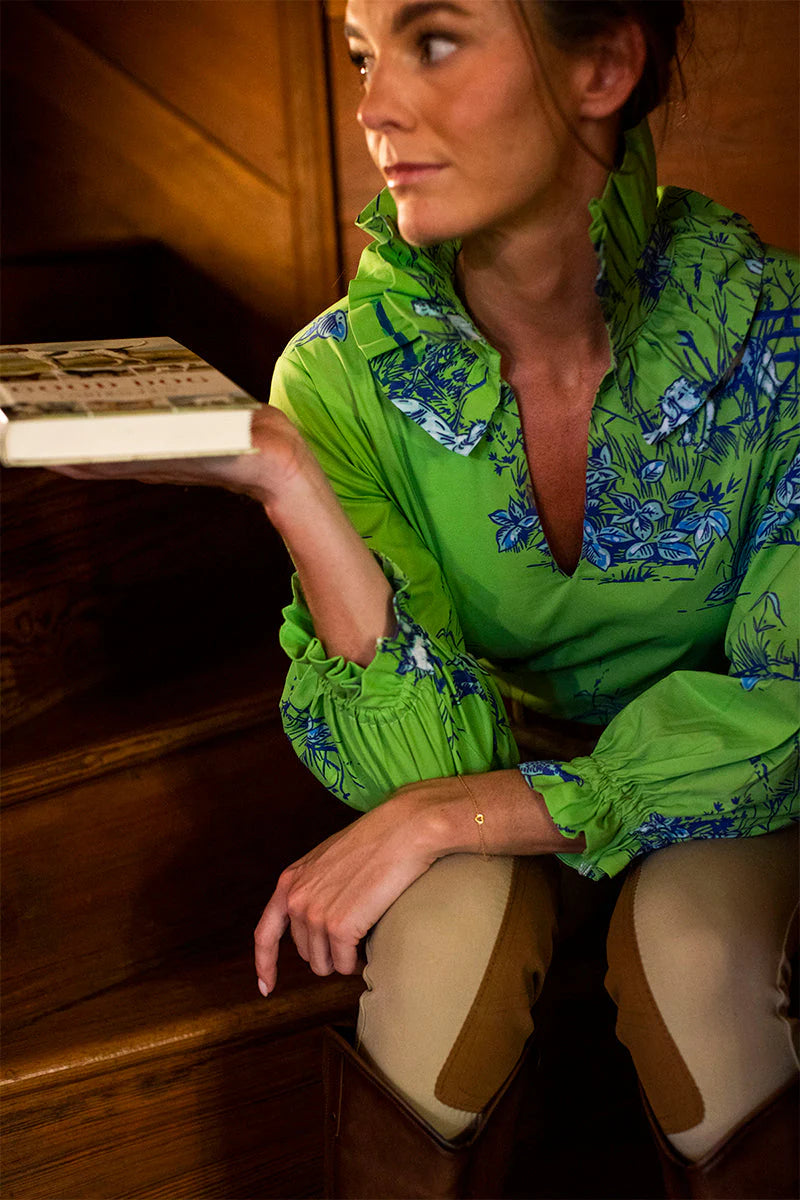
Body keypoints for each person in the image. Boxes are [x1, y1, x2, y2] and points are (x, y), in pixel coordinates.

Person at [57, 2, 798, 1197]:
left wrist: (439, 821)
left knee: (695, 953)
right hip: (476, 766)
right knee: (442, 948)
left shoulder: (775, 338)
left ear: (604, 65)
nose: (373, 107)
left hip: (721, 789)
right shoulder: (337, 374)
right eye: (361, 55)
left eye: (433, 41)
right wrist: (288, 484)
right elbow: (416, 763)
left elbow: (787, 707)